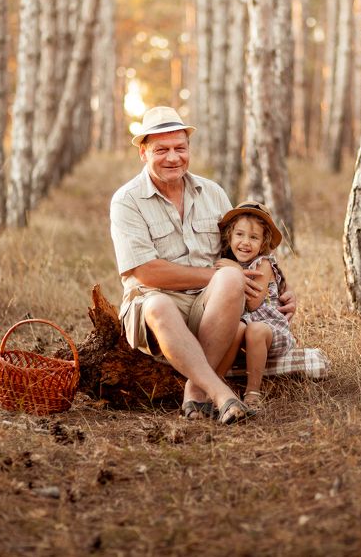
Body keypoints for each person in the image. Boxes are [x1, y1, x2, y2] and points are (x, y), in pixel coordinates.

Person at [109, 106, 294, 425]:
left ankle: (194, 391)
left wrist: (279, 292)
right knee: (158, 304)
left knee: (230, 280)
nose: (172, 158)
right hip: (154, 307)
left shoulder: (212, 193)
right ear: (143, 152)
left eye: (180, 148)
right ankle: (219, 394)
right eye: (161, 150)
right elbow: (147, 272)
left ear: (189, 149)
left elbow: (242, 256)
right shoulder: (127, 201)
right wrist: (216, 274)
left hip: (210, 308)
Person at [215, 202, 295, 409]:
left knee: (253, 329)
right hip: (241, 324)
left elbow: (251, 304)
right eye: (239, 235)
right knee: (237, 328)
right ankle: (216, 385)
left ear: (263, 242)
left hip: (268, 328)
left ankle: (252, 392)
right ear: (229, 237)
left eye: (254, 237)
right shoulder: (223, 260)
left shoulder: (263, 264)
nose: (245, 242)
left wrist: (233, 270)